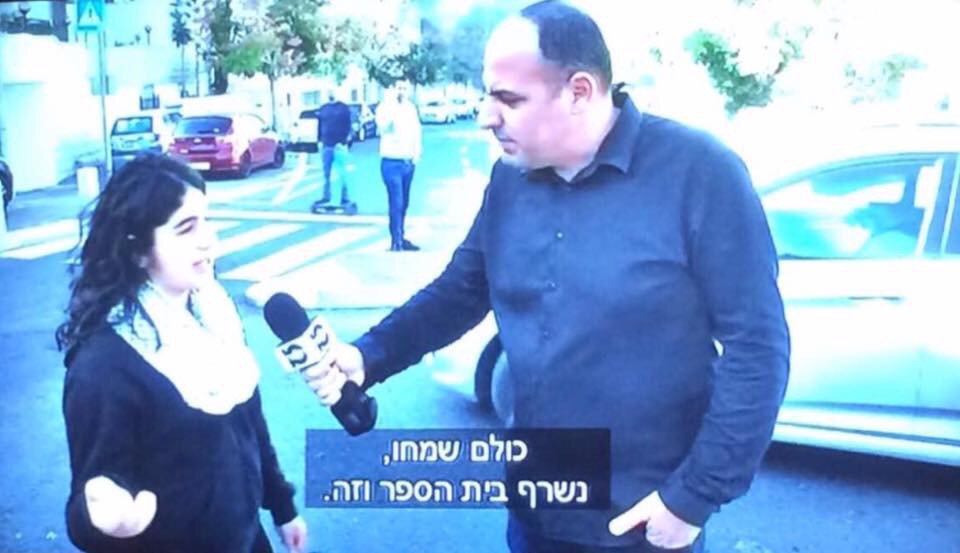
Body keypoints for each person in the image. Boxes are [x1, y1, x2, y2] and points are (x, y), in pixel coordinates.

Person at [306, 1, 790, 552]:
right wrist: (369, 355)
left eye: (509, 99)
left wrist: (693, 498)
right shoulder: (510, 179)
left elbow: (758, 348)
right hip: (535, 512)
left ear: (579, 91)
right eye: (487, 96)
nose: (486, 116)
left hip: (643, 524)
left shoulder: (700, 174)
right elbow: (461, 290)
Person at [56, 154, 308, 553]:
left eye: (206, 220)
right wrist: (109, 522)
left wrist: (282, 507)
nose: (208, 239)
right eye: (186, 228)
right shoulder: (104, 366)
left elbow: (249, 423)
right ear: (139, 251)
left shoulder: (214, 314)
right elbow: (91, 502)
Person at [375, 80, 423, 251]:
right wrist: (392, 107)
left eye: (404, 88)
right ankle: (396, 241)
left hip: (407, 161)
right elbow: (383, 127)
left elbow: (416, 132)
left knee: (404, 203)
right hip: (391, 161)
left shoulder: (411, 108)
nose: (401, 91)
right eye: (398, 88)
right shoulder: (385, 108)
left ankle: (401, 236)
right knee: (396, 201)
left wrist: (416, 154)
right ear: (393, 89)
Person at [313, 92, 355, 211]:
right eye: (329, 91)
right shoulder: (323, 108)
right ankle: (326, 196)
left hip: (340, 145)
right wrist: (319, 140)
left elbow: (348, 125)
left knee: (342, 172)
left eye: (333, 91)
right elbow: (320, 125)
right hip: (326, 144)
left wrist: (343, 141)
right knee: (326, 173)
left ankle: (345, 198)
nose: (331, 93)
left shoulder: (343, 108)